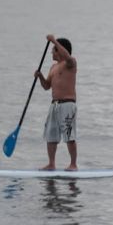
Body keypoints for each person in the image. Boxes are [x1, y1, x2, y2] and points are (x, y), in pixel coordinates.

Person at [34, 34, 78, 171]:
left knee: (69, 135)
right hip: (54, 105)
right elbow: (47, 86)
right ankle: (51, 164)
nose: (51, 51)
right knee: (51, 135)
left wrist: (54, 40)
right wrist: (40, 77)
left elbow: (67, 56)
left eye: (53, 49)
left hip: (67, 105)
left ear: (60, 50)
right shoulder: (53, 68)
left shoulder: (71, 63)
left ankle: (73, 164)